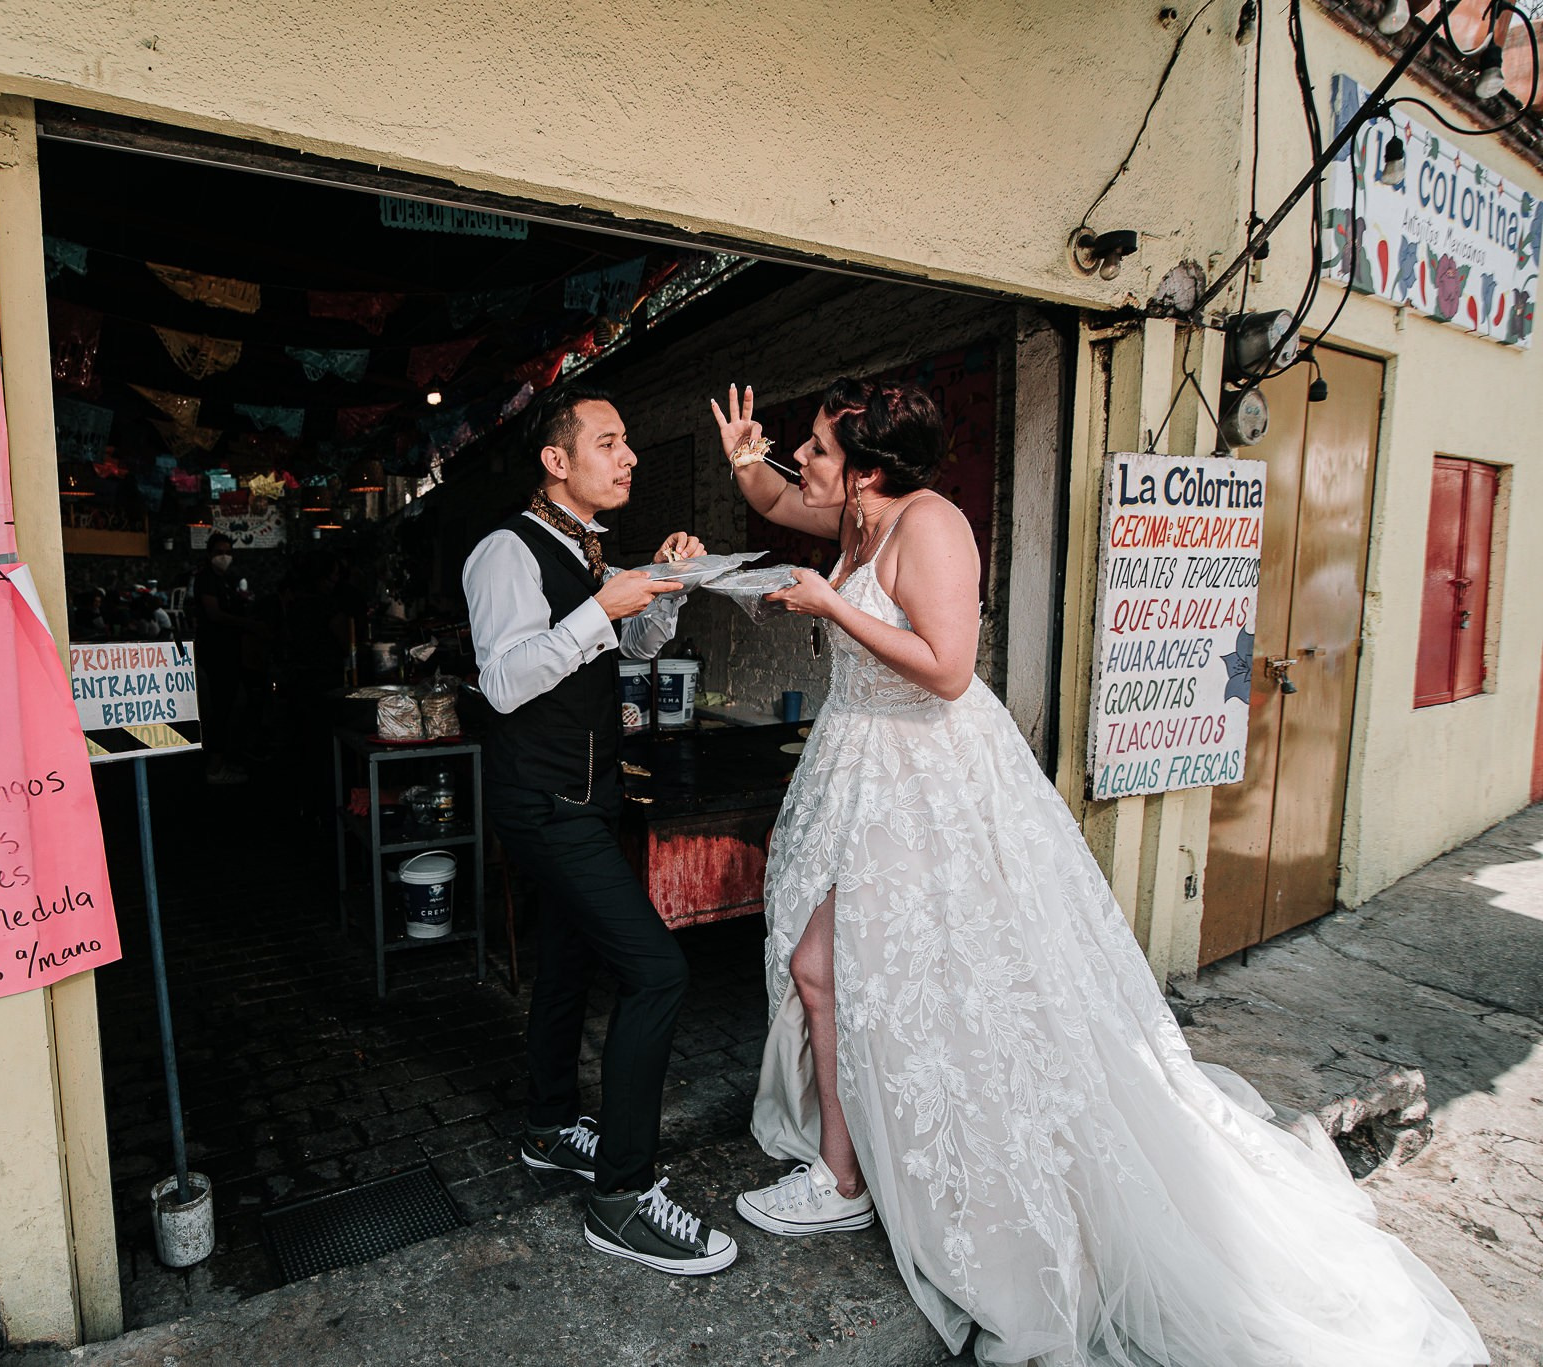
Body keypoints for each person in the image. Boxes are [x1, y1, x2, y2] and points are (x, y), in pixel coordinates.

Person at [712, 380, 1487, 1364]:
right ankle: (845, 1168)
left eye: (813, 449)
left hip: (928, 776)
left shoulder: (930, 525)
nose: (800, 461)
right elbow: (777, 504)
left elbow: (948, 667)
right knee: (822, 968)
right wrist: (744, 461)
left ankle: (898, 1168)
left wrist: (828, 602)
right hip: (859, 766)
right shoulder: (853, 512)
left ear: (864, 464)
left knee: (918, 974)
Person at [463, 384, 737, 1276]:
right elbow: (504, 682)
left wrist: (664, 588)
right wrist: (601, 607)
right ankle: (623, 1195)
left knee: (570, 962)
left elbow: (639, 647)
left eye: (627, 444)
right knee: (657, 971)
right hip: (543, 800)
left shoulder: (587, 551)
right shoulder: (507, 552)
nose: (627, 458)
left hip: (589, 794)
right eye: (610, 443)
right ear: (557, 460)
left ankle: (550, 1126)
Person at [191, 534, 264, 784]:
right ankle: (214, 768)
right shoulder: (206, 580)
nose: (225, 555)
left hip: (231, 653)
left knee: (231, 706)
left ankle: (222, 760)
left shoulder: (225, 580)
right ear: (210, 553)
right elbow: (214, 614)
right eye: (220, 551)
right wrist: (247, 623)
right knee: (220, 709)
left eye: (228, 551)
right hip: (216, 653)